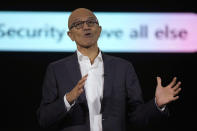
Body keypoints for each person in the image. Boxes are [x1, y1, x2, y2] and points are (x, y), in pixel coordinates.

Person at [37, 8, 181, 131]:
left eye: (91, 22)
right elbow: (44, 119)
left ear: (99, 30)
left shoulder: (123, 67)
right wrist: (68, 99)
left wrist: (156, 104)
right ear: (70, 35)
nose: (86, 27)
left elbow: (137, 118)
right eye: (78, 24)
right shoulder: (57, 69)